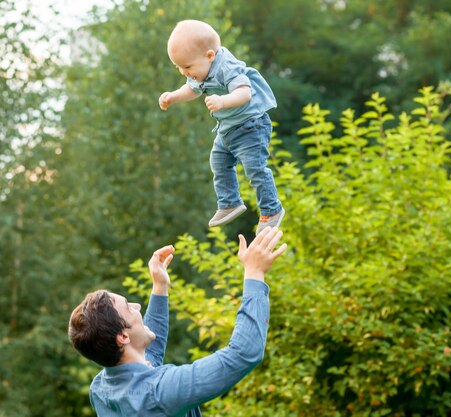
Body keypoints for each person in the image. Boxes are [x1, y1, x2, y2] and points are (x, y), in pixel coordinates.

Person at [68, 227, 287, 417]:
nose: (137, 306)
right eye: (128, 306)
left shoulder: (101, 388)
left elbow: (145, 357)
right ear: (123, 336)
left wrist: (160, 287)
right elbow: (243, 353)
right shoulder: (160, 392)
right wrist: (254, 273)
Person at [158, 20, 285, 235]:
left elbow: (245, 92)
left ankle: (271, 210)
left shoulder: (227, 67)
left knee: (254, 169)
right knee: (218, 162)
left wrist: (222, 101)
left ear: (210, 56)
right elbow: (192, 90)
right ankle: (229, 203)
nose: (183, 72)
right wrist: (173, 97)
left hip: (250, 126)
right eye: (178, 67)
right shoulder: (202, 70)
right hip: (227, 129)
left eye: (187, 67)